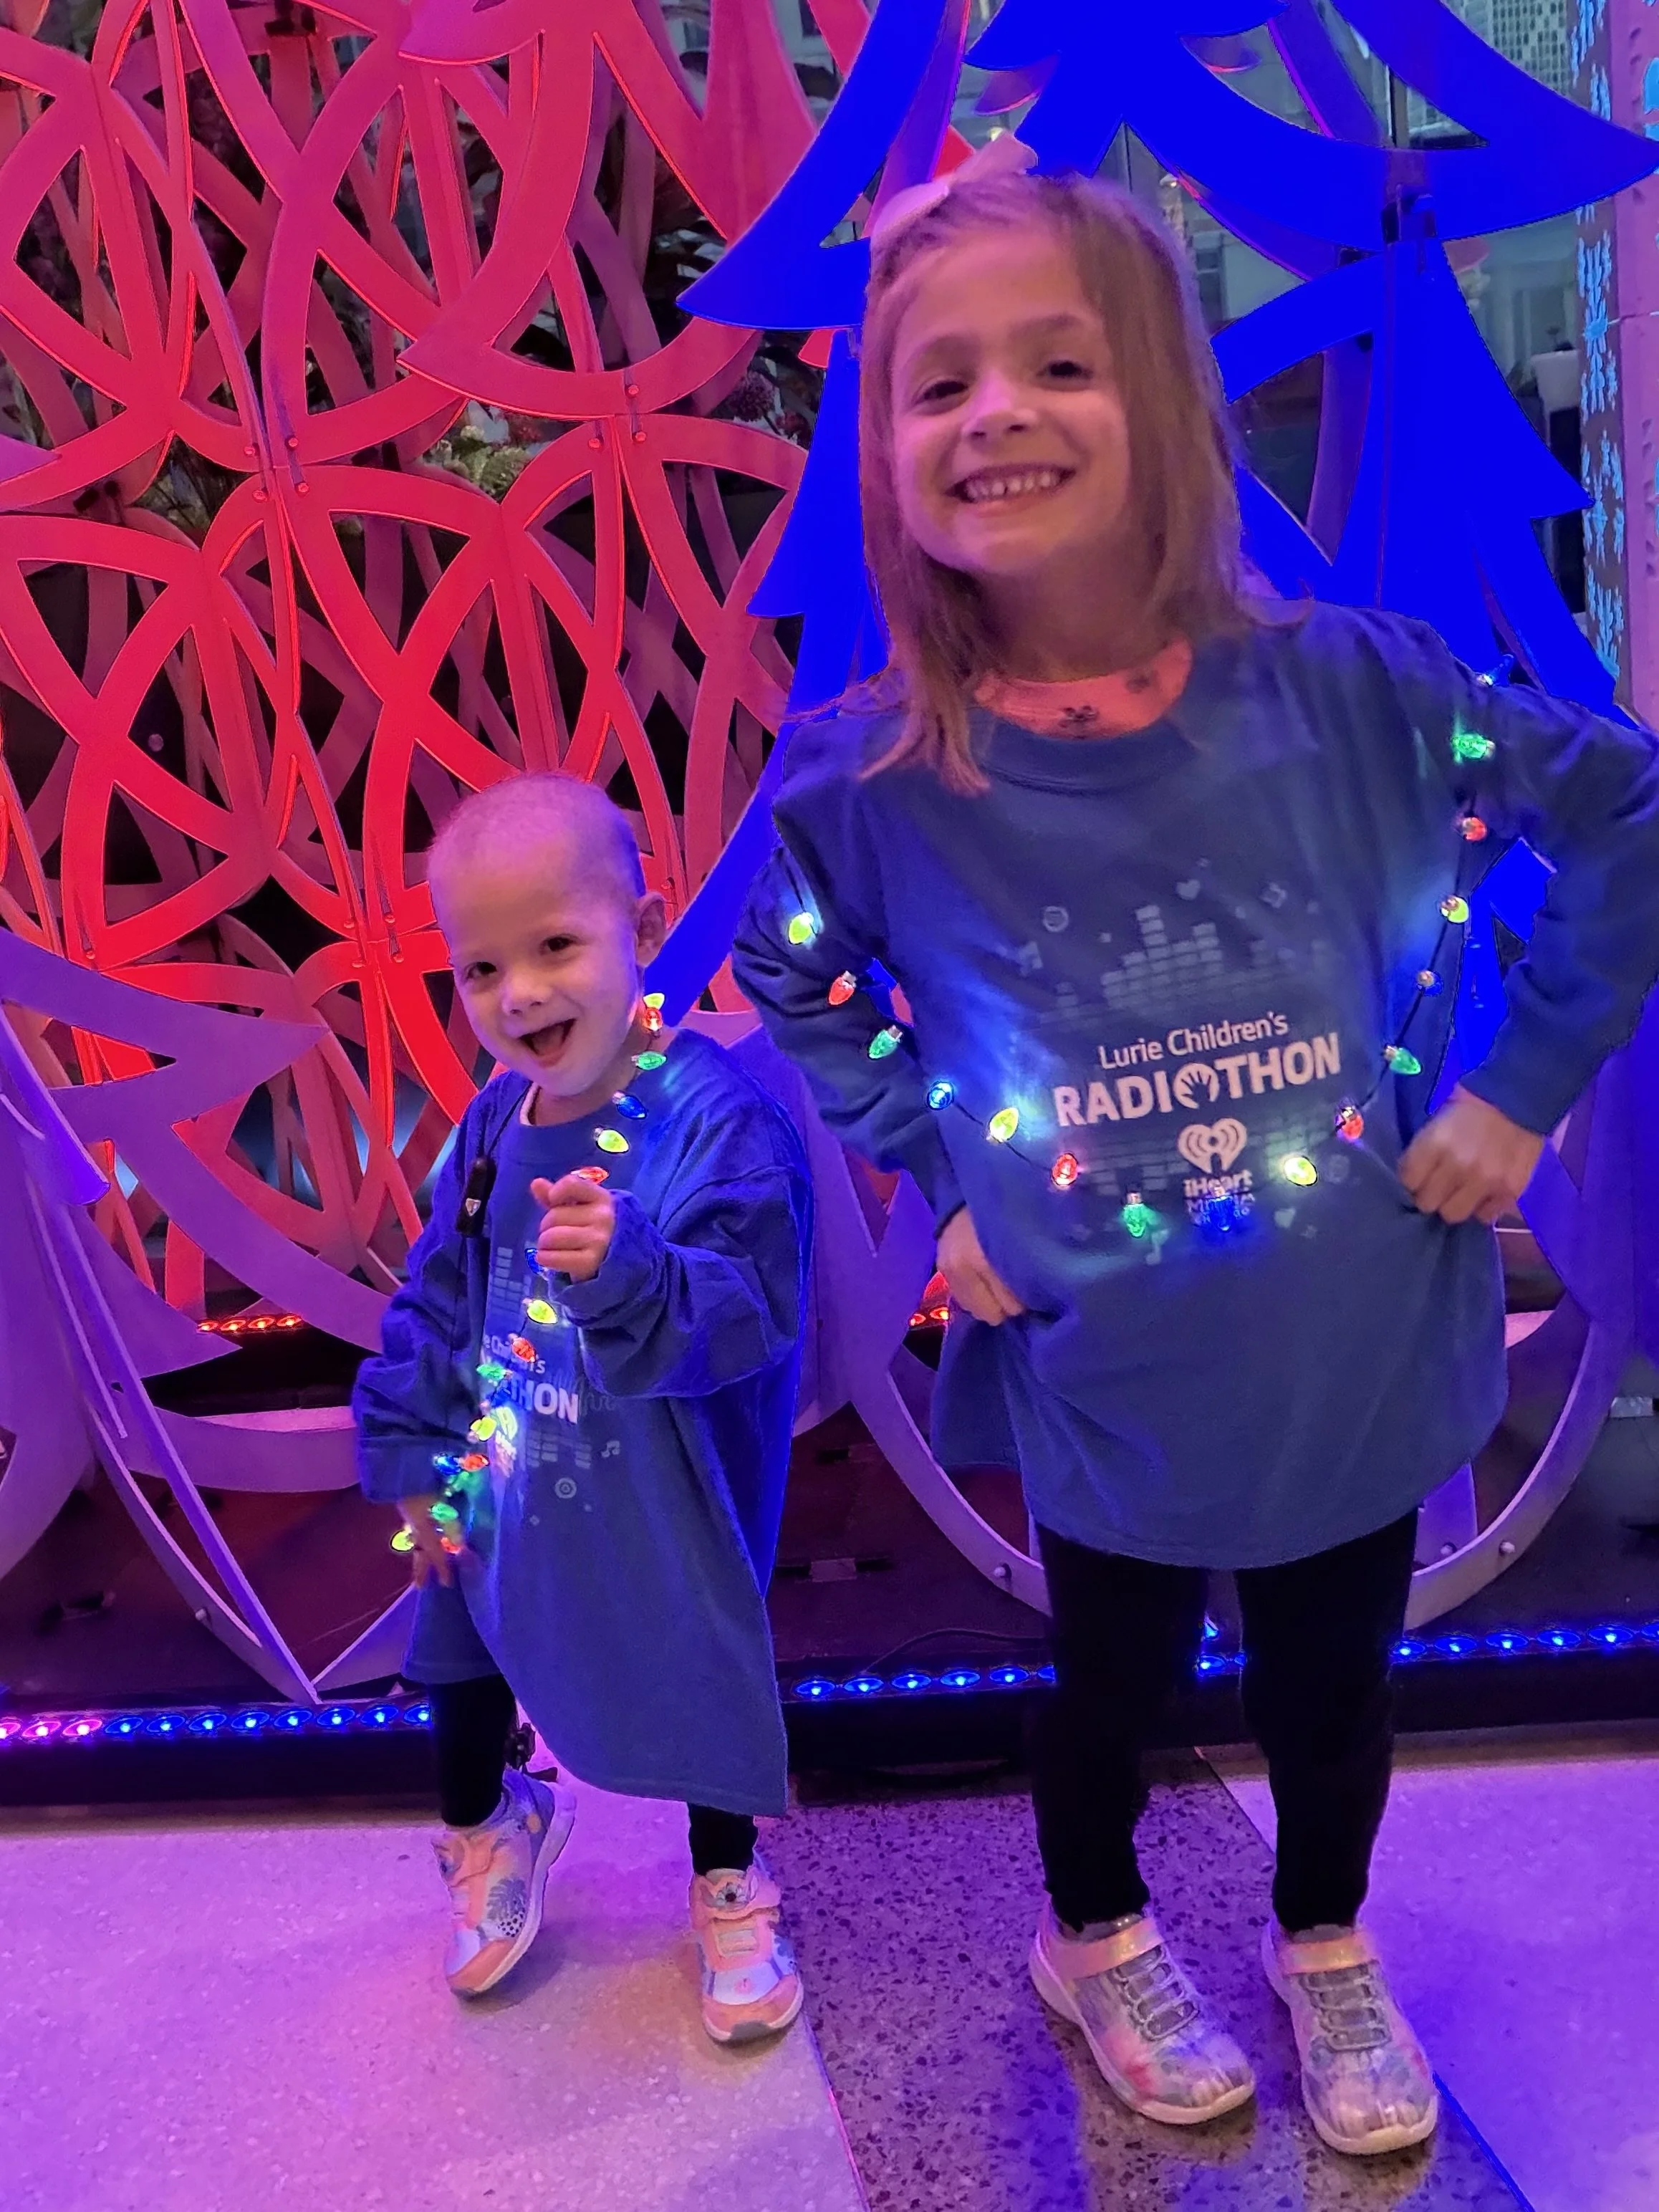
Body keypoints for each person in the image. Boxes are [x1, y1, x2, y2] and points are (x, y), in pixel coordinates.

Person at [731, 141, 1659, 2156]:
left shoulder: (1357, 698)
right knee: (1113, 1685)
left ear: (1160, 396)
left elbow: (1627, 815)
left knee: (1333, 1690)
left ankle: (1324, 1935)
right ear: (882, 446)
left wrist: (1516, 1089)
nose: (998, 411)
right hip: (1107, 1360)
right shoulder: (874, 780)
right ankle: (1092, 1931)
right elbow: (789, 966)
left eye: (1058, 361)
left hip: (1348, 1335)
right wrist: (937, 1168)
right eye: (940, 379)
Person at [354, 773, 812, 2044]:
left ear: (643, 929)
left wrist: (629, 1271)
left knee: (698, 1666)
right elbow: (438, 1292)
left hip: (654, 1493)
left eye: (556, 946)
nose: (520, 995)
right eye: (481, 968)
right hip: (502, 1475)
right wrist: (414, 1452)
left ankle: (728, 1880)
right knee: (457, 1645)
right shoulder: (493, 1123)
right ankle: (489, 1824)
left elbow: (753, 1307)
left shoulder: (711, 1119)